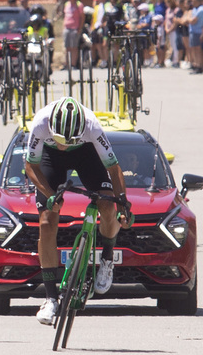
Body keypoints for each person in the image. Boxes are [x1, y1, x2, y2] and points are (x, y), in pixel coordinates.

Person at [23, 97, 132, 325]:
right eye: (60, 139)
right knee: (46, 220)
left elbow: (113, 168)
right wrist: (50, 195)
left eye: (68, 140)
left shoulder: (92, 126)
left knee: (107, 205)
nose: (64, 144)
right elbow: (31, 167)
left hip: (86, 154)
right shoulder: (41, 122)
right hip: (50, 159)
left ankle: (108, 258)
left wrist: (122, 202)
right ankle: (51, 298)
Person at [61, 0, 84, 69]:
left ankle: (73, 64)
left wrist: (79, 28)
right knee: (67, 47)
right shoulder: (66, 4)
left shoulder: (79, 5)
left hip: (75, 28)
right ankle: (67, 64)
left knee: (74, 47)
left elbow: (82, 17)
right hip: (67, 28)